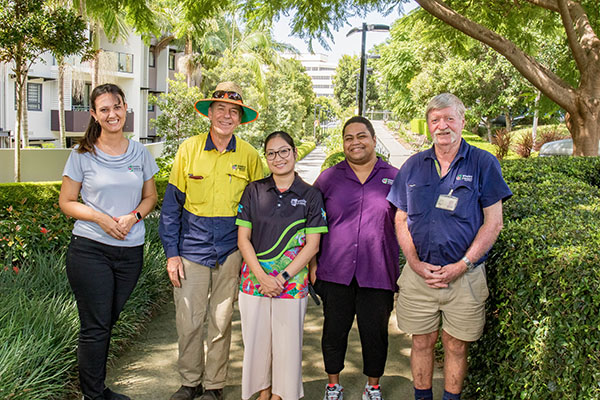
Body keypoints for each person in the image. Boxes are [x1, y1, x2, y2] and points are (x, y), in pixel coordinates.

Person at [386, 93, 512, 400]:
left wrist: (463, 264)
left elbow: (493, 222)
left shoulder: (484, 163)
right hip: (420, 276)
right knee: (421, 342)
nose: (443, 126)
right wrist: (414, 263)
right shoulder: (413, 166)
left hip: (465, 276)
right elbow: (400, 219)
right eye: (436, 120)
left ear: (462, 121)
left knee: (456, 345)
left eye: (449, 118)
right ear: (429, 125)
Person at [159, 82, 263, 400]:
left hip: (232, 250)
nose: (226, 116)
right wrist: (171, 254)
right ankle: (190, 382)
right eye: (221, 109)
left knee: (221, 322)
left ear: (240, 118)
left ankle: (214, 386)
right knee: (188, 321)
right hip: (191, 248)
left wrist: (252, 259)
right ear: (210, 113)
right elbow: (171, 207)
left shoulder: (249, 155)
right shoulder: (188, 150)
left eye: (233, 111)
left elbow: (259, 210)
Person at [58, 83, 159, 400]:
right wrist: (101, 218)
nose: (112, 114)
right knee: (97, 325)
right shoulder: (82, 155)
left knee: (104, 323)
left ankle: (95, 388)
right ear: (94, 114)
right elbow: (67, 201)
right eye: (104, 109)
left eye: (116, 107)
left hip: (130, 253)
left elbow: (150, 197)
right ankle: (94, 393)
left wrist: (133, 217)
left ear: (125, 107)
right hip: (90, 251)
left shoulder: (140, 153)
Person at [312, 116, 400, 400]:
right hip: (334, 272)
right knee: (333, 333)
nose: (355, 142)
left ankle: (373, 387)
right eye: (348, 138)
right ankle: (333, 385)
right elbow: (310, 223)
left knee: (375, 335)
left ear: (374, 140)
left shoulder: (395, 177)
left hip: (378, 272)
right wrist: (312, 267)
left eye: (361, 136)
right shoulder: (329, 178)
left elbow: (410, 225)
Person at [236, 131, 328, 400]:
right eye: (272, 153)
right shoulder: (253, 190)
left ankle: (281, 394)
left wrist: (282, 277)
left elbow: (313, 245)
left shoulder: (311, 195)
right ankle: (263, 391)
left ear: (295, 153)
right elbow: (243, 240)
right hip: (254, 280)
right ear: (266, 158)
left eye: (284, 151)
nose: (278, 158)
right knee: (256, 342)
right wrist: (263, 277)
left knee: (287, 345)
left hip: (292, 283)